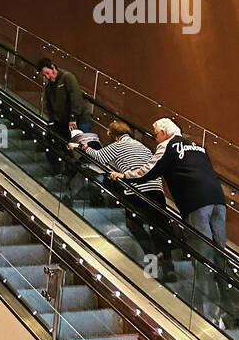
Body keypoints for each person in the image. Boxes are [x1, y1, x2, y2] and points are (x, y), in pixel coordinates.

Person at [111, 119, 239, 329]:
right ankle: (237, 312)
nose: (156, 139)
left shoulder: (169, 145)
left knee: (202, 256)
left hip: (195, 203)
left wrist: (125, 176)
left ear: (165, 133)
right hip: (218, 202)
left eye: (156, 134)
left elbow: (150, 169)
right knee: (220, 255)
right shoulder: (198, 147)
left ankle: (206, 315)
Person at [74, 120, 177, 282]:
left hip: (137, 191)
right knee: (159, 229)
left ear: (114, 136)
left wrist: (82, 146)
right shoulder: (144, 148)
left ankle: (152, 261)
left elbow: (99, 157)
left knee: (134, 224)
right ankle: (169, 269)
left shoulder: (118, 146)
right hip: (157, 192)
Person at [37, 57, 92, 142]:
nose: (47, 77)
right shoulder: (49, 87)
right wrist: (52, 120)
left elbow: (76, 98)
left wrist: (73, 118)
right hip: (63, 122)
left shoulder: (67, 77)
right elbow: (48, 104)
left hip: (79, 119)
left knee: (78, 145)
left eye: (48, 73)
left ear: (52, 67)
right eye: (45, 75)